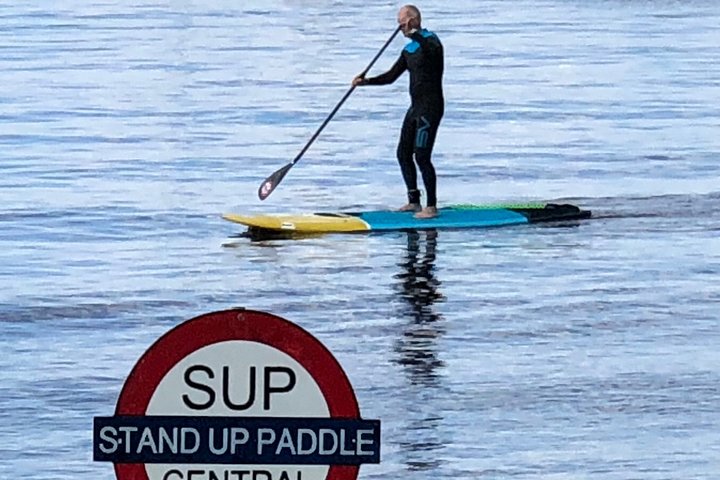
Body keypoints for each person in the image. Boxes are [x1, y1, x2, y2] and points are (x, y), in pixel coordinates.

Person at [353, 5, 444, 219]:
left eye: (401, 22)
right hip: (415, 108)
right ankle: (414, 201)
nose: (399, 27)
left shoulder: (432, 41)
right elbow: (391, 76)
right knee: (403, 153)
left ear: (412, 20)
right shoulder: (409, 50)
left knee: (422, 156)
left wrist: (414, 32)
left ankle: (431, 206)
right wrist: (366, 82)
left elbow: (429, 49)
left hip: (431, 108)